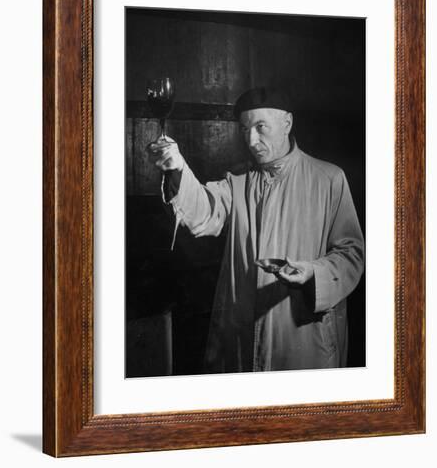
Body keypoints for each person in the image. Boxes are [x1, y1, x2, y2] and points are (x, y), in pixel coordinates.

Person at [148, 87, 365, 373]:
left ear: (287, 123)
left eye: (261, 127)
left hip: (301, 331)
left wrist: (313, 272)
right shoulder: (237, 180)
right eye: (245, 129)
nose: (251, 140)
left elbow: (351, 253)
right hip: (244, 327)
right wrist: (177, 169)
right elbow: (203, 212)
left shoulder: (329, 178)